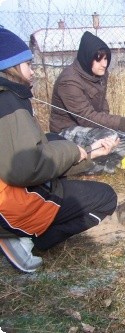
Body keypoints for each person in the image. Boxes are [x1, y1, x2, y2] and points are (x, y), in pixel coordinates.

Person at [0, 28, 118, 273]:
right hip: (10, 206)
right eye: (27, 65)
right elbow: (24, 168)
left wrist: (89, 153)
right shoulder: (9, 102)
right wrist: (75, 152)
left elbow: (31, 146)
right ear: (10, 68)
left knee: (52, 140)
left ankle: (20, 231)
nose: (32, 71)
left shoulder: (9, 98)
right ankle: (26, 237)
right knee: (106, 197)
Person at [49, 31, 125, 173]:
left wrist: (121, 128)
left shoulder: (100, 74)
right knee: (110, 136)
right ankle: (97, 166)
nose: (104, 64)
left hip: (90, 126)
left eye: (106, 59)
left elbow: (103, 107)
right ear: (87, 58)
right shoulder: (69, 81)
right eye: (99, 59)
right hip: (66, 131)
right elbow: (87, 117)